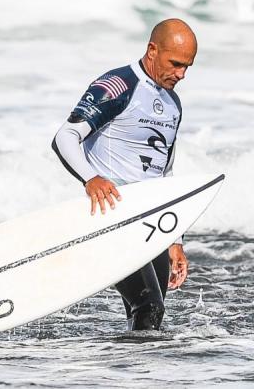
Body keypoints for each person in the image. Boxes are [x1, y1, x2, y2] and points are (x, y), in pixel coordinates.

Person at [51, 18, 198, 330]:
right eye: (175, 64)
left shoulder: (173, 104)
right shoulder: (118, 85)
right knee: (149, 306)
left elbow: (165, 173)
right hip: (113, 218)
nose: (181, 74)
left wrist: (175, 239)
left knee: (150, 317)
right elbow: (65, 137)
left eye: (187, 66)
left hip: (150, 222)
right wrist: (91, 178)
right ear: (152, 50)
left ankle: (132, 373)